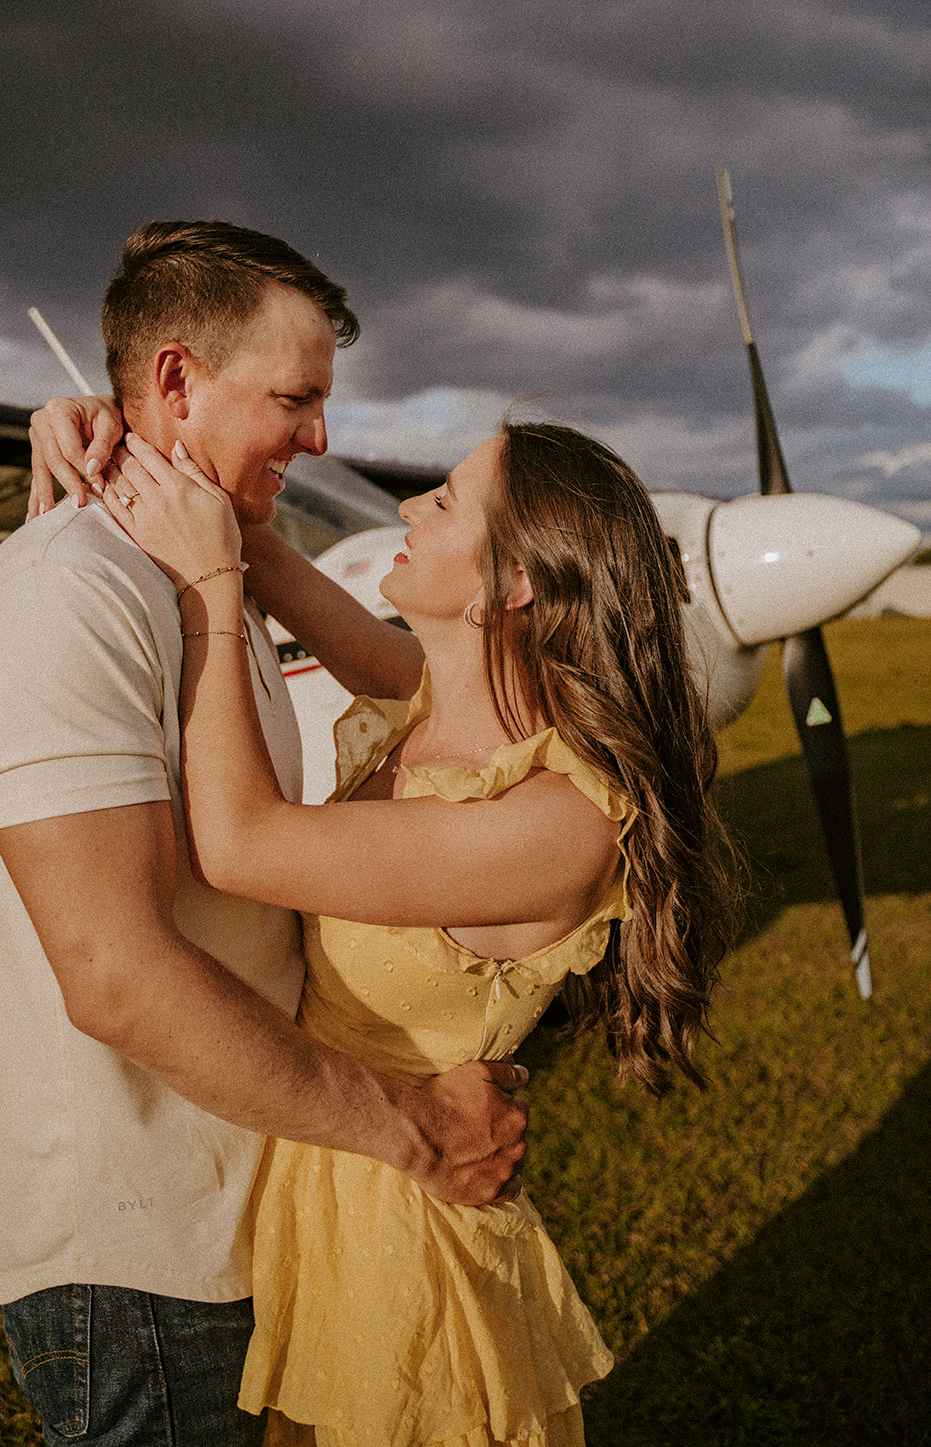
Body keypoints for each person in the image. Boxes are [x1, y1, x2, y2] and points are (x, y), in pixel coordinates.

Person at [0, 220, 527, 1447]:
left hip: (252, 1207)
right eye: (294, 398)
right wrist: (409, 1127)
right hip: (143, 1259)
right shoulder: (71, 593)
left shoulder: (204, 575)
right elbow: (113, 974)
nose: (319, 437)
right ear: (172, 379)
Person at [38, 410, 737, 1447]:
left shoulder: (554, 821)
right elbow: (260, 541)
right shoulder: (430, 700)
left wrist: (211, 594)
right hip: (326, 1188)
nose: (408, 504)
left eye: (444, 499)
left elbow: (236, 842)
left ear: (510, 586)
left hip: (403, 1236)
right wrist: (93, 425)